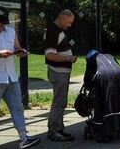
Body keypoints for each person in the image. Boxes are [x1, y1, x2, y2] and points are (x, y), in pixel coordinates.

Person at [0, 6, 41, 149]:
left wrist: (20, 52)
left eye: (4, 23)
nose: (3, 26)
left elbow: (16, 48)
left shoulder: (10, 32)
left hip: (11, 77)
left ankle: (23, 137)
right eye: (0, 23)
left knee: (18, 107)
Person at [44, 9, 77, 142]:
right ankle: (54, 130)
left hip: (61, 72)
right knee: (58, 102)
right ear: (62, 18)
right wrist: (68, 58)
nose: (70, 25)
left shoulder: (58, 31)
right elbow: (50, 55)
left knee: (61, 101)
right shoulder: (53, 32)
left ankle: (59, 128)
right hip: (58, 72)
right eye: (69, 22)